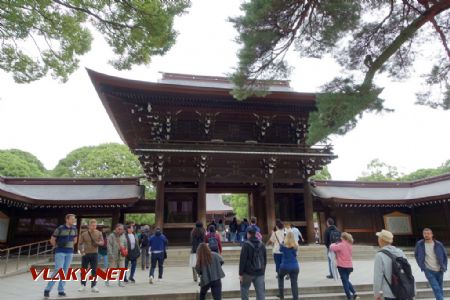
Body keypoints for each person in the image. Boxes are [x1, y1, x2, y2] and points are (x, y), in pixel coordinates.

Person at [44, 214, 78, 298]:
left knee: (65, 271)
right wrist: (57, 246)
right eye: (72, 219)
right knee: (58, 270)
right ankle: (47, 289)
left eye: (74, 219)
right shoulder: (60, 228)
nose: (74, 220)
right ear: (67, 219)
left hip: (69, 252)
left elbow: (75, 239)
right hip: (60, 251)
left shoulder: (75, 229)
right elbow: (52, 239)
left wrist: (70, 245)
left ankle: (61, 290)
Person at [373, 229, 412, 300]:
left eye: (379, 238)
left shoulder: (380, 255)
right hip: (403, 290)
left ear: (381, 240)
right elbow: (408, 271)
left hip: (390, 292)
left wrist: (376, 294)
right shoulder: (400, 252)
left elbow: (378, 276)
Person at [414, 228, 448, 300]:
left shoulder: (438, 244)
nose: (426, 235)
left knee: (439, 287)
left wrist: (444, 266)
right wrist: (421, 265)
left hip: (439, 269)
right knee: (436, 288)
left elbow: (445, 256)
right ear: (423, 235)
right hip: (428, 270)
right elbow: (416, 255)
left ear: (432, 235)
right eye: (425, 234)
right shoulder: (419, 244)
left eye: (428, 233)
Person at [239, 226, 267, 300]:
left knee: (244, 288)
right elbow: (265, 259)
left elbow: (242, 260)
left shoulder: (246, 245)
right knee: (260, 292)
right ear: (255, 234)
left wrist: (241, 274)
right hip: (260, 272)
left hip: (248, 272)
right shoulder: (262, 244)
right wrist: (263, 271)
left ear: (248, 234)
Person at [330, 232, 359, 300]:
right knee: (346, 280)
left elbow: (332, 247)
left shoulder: (341, 245)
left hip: (342, 266)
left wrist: (333, 243)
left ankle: (349, 297)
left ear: (342, 238)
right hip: (349, 266)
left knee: (345, 282)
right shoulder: (349, 245)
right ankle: (355, 294)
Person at [78, 219, 104, 293]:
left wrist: (98, 243)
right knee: (84, 270)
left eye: (95, 225)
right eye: (92, 225)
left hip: (95, 253)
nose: (94, 227)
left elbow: (102, 242)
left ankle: (94, 286)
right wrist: (82, 251)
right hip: (85, 253)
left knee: (94, 270)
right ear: (89, 226)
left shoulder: (99, 233)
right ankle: (83, 285)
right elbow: (80, 243)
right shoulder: (84, 234)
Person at [277, 231, 300, 300]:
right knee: (294, 284)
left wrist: (283, 242)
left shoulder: (283, 245)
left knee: (280, 277)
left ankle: (281, 296)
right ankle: (295, 298)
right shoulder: (295, 246)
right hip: (295, 266)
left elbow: (280, 250)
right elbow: (295, 255)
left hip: (285, 266)